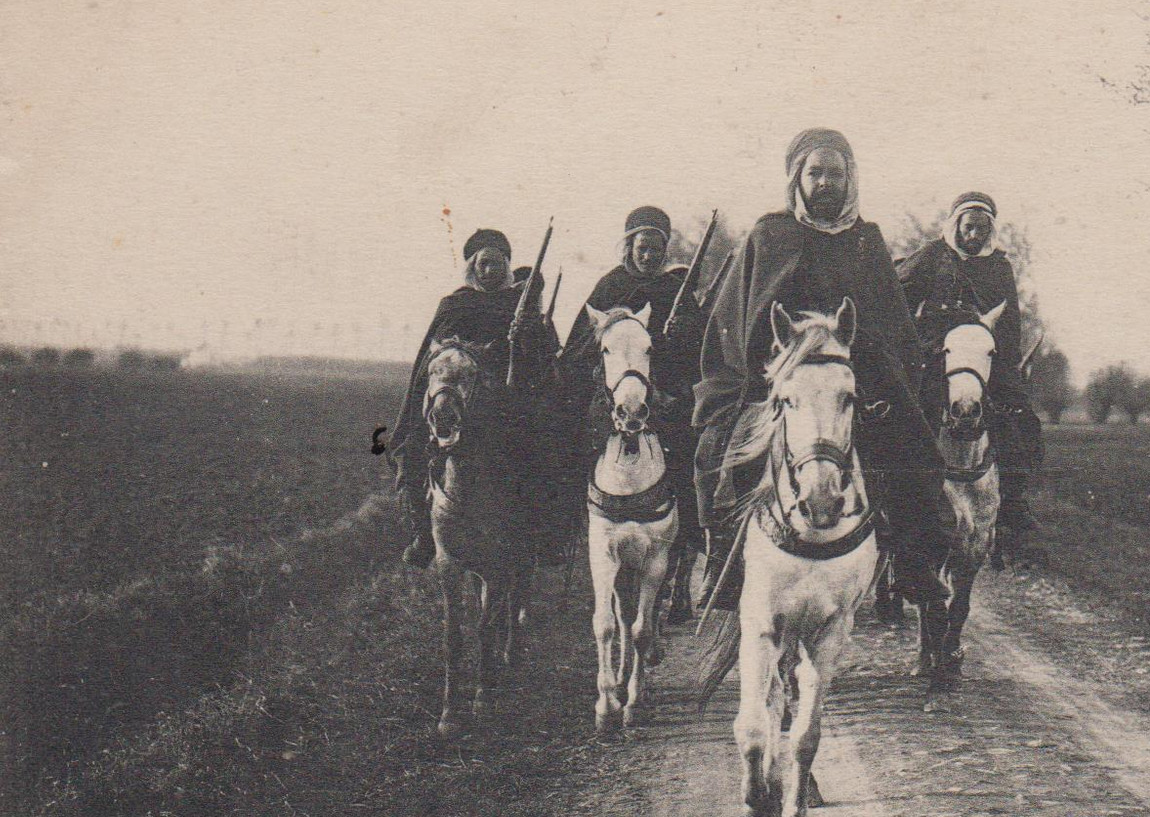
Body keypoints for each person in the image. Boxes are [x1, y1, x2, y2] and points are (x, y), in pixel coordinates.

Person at [693, 127, 947, 610]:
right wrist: (763, 368)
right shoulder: (770, 235)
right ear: (797, 178)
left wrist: (875, 372)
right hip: (775, 376)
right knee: (719, 447)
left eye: (836, 173)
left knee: (912, 448)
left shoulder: (866, 241)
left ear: (850, 179)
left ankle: (913, 565)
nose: (825, 183)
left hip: (854, 376)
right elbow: (737, 316)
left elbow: (890, 325)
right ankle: (721, 563)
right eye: (816, 173)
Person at [387, 228, 574, 567]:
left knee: (546, 450)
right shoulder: (455, 304)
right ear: (473, 267)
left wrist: (525, 335)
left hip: (509, 403)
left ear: (507, 266)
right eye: (484, 264)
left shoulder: (521, 306)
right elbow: (436, 355)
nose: (491, 272)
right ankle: (424, 534)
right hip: (457, 398)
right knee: (413, 446)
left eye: (498, 265)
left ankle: (544, 537)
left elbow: (545, 358)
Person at [560, 206, 708, 553]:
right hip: (613, 395)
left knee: (688, 451)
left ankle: (691, 534)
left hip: (666, 393)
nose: (648, 256)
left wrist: (681, 333)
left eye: (655, 250)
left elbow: (703, 347)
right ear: (629, 247)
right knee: (573, 440)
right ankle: (568, 525)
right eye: (642, 248)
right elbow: (582, 345)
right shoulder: (611, 285)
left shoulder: (676, 287)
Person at [896, 191, 1043, 537]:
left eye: (981, 229)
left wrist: (1003, 366)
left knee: (1019, 415)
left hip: (983, 355)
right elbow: (897, 293)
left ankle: (1012, 503)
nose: (973, 236)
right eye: (968, 228)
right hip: (935, 353)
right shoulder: (933, 256)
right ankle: (900, 499)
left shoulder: (999, 266)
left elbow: (1010, 323)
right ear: (955, 225)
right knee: (907, 413)